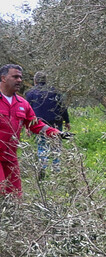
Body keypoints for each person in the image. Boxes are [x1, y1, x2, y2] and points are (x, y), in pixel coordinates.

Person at [0, 64, 62, 196]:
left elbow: (35, 124)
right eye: (15, 77)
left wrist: (56, 133)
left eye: (20, 77)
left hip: (11, 156)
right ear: (3, 78)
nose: (19, 80)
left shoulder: (23, 103)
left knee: (15, 195)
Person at [25, 71, 70, 175]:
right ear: (45, 80)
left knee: (41, 146)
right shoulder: (55, 91)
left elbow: (28, 111)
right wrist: (67, 121)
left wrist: (28, 127)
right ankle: (56, 170)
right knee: (56, 146)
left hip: (38, 124)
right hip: (56, 122)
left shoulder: (30, 93)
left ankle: (42, 168)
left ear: (35, 81)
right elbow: (62, 107)